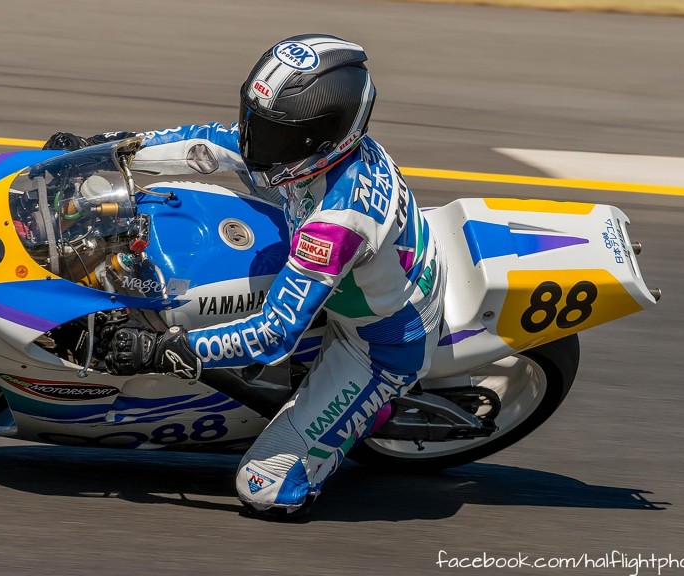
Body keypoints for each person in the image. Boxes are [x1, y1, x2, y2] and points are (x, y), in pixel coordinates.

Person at [43, 34, 445, 519]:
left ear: (326, 135)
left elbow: (274, 333)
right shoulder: (306, 152)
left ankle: (367, 416)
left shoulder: (336, 222)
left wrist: (166, 350)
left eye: (277, 133)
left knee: (264, 489)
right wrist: (102, 150)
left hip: (378, 342)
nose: (256, 141)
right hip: (355, 268)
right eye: (257, 120)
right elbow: (211, 143)